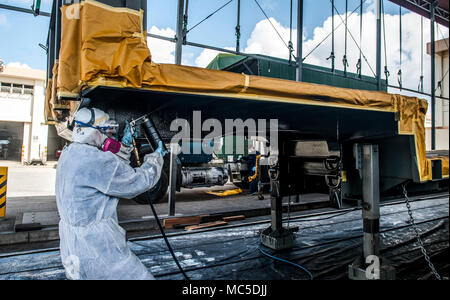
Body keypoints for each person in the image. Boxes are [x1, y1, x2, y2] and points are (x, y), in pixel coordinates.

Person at [56, 107, 166, 280]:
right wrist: (156, 159)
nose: (109, 137)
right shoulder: (95, 160)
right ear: (92, 132)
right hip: (99, 246)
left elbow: (109, 176)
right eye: (105, 131)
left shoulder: (69, 154)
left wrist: (125, 146)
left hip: (72, 243)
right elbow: (137, 182)